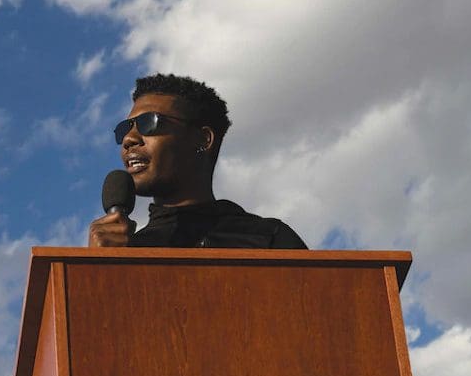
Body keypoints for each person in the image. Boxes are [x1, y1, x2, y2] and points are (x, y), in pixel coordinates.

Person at [88, 73, 307, 249]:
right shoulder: (128, 252)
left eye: (148, 123)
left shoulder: (267, 239)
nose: (129, 139)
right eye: (124, 129)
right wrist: (94, 271)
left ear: (204, 139)